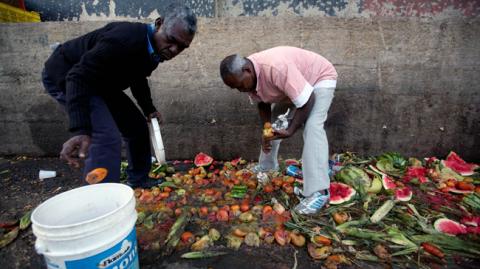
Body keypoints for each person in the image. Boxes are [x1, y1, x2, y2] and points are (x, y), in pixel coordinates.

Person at [42, 4, 197, 188]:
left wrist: (148, 108)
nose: (173, 50)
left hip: (101, 82)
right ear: (159, 23)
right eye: (171, 40)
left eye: (181, 47)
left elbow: (137, 77)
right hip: (67, 75)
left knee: (137, 127)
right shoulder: (124, 39)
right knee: (106, 135)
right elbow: (78, 76)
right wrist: (81, 129)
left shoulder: (154, 52)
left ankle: (139, 181)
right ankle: (101, 199)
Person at [219, 46, 337, 214]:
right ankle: (267, 167)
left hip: (318, 78)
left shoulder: (275, 68)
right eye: (235, 88)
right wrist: (266, 130)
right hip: (293, 85)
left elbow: (308, 99)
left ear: (247, 70)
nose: (240, 90)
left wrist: (291, 130)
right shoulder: (249, 75)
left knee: (312, 126)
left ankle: (319, 192)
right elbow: (263, 102)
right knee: (274, 126)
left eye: (239, 85)